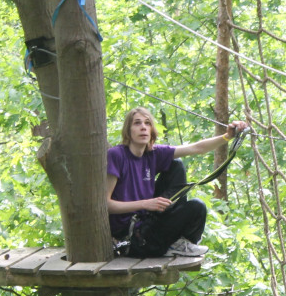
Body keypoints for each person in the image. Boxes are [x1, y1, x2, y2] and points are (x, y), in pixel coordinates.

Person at [106, 107, 250, 258]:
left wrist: (227, 136)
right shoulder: (117, 155)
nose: (143, 127)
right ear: (128, 130)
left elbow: (197, 148)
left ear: (152, 130)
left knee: (195, 203)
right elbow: (106, 204)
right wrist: (145, 203)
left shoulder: (153, 154)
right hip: (132, 237)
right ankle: (170, 242)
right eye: (137, 123)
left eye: (147, 123)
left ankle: (178, 242)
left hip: (150, 222)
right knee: (192, 199)